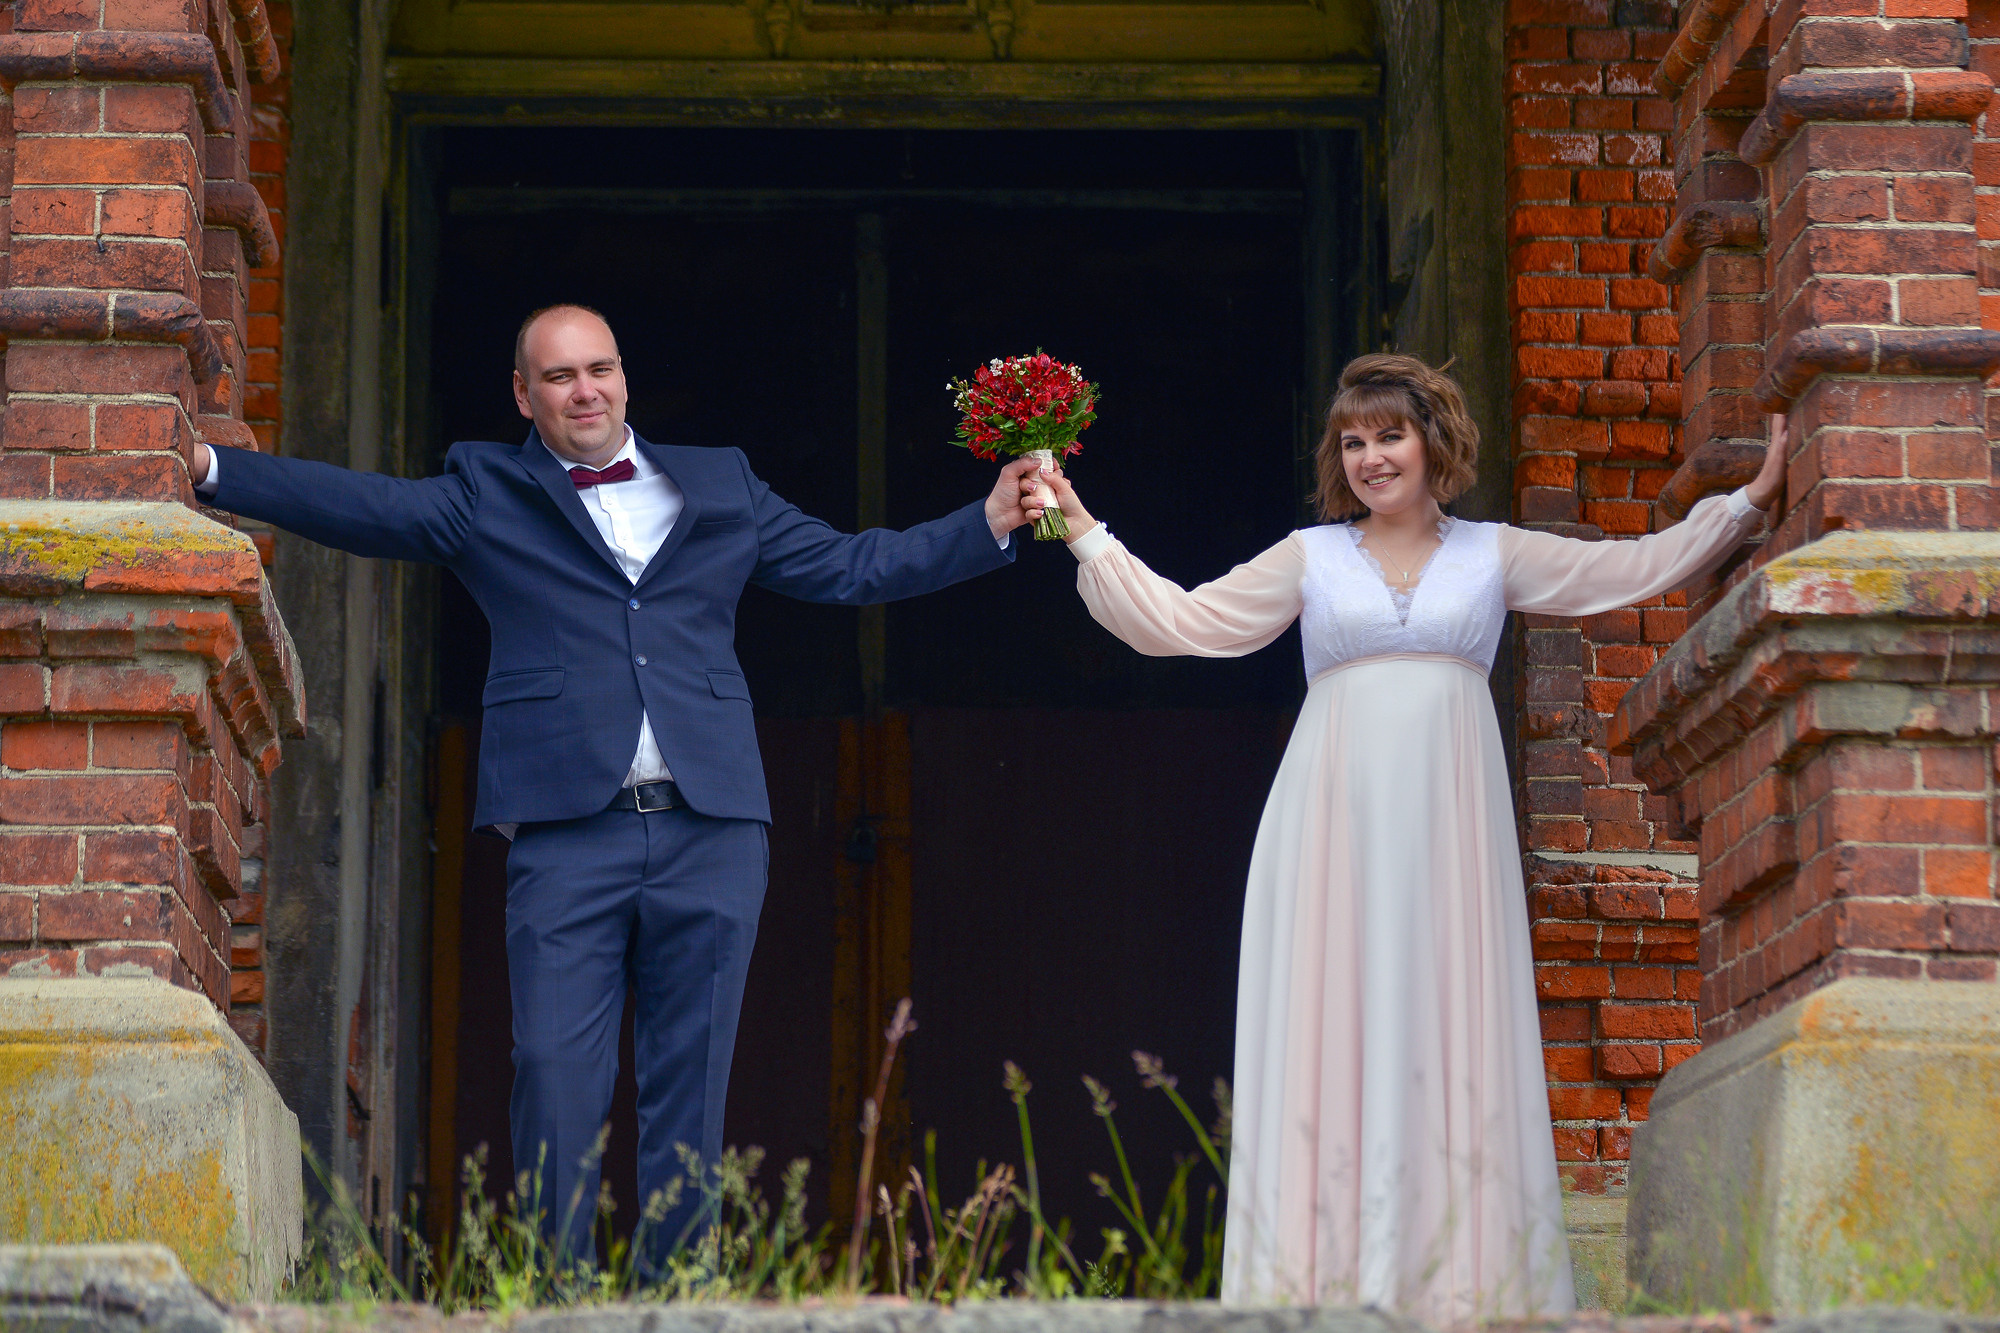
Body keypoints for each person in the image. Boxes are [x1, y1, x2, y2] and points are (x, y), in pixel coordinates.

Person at [191, 303, 1051, 1260]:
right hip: (568, 833)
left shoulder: (721, 481)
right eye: (559, 376)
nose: (584, 390)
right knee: (554, 1071)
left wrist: (985, 520)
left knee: (691, 1081)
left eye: (599, 368)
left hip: (714, 828)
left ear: (625, 378)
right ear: (525, 394)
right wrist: (215, 470)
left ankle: (674, 1297)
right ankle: (557, 1299)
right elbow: (372, 507)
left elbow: (850, 565)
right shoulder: (488, 487)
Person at [1036, 354, 1784, 1320]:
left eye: (1389, 435)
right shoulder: (1310, 556)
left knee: (1449, 1021)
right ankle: (1320, 1289)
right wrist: (1078, 525)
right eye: (1353, 441)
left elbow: (1624, 569)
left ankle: (1463, 1291)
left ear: (1436, 441)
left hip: (1449, 832)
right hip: (1331, 824)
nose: (1371, 458)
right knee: (1332, 1020)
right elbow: (1185, 620)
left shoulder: (1494, 553)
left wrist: (1747, 505)